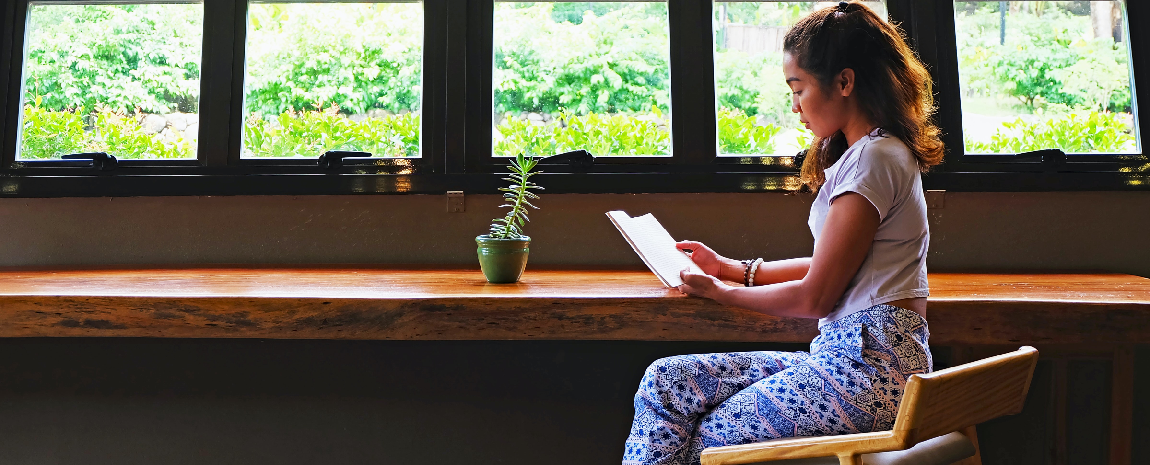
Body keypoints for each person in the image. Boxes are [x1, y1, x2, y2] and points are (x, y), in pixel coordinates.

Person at [622, 2, 945, 464]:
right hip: (855, 361)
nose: (794, 106)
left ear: (844, 82)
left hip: (865, 372)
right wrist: (735, 269)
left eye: (798, 89)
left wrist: (720, 292)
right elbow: (833, 266)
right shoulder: (872, 155)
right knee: (667, 381)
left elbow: (815, 298)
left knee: (707, 439)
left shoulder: (875, 161)